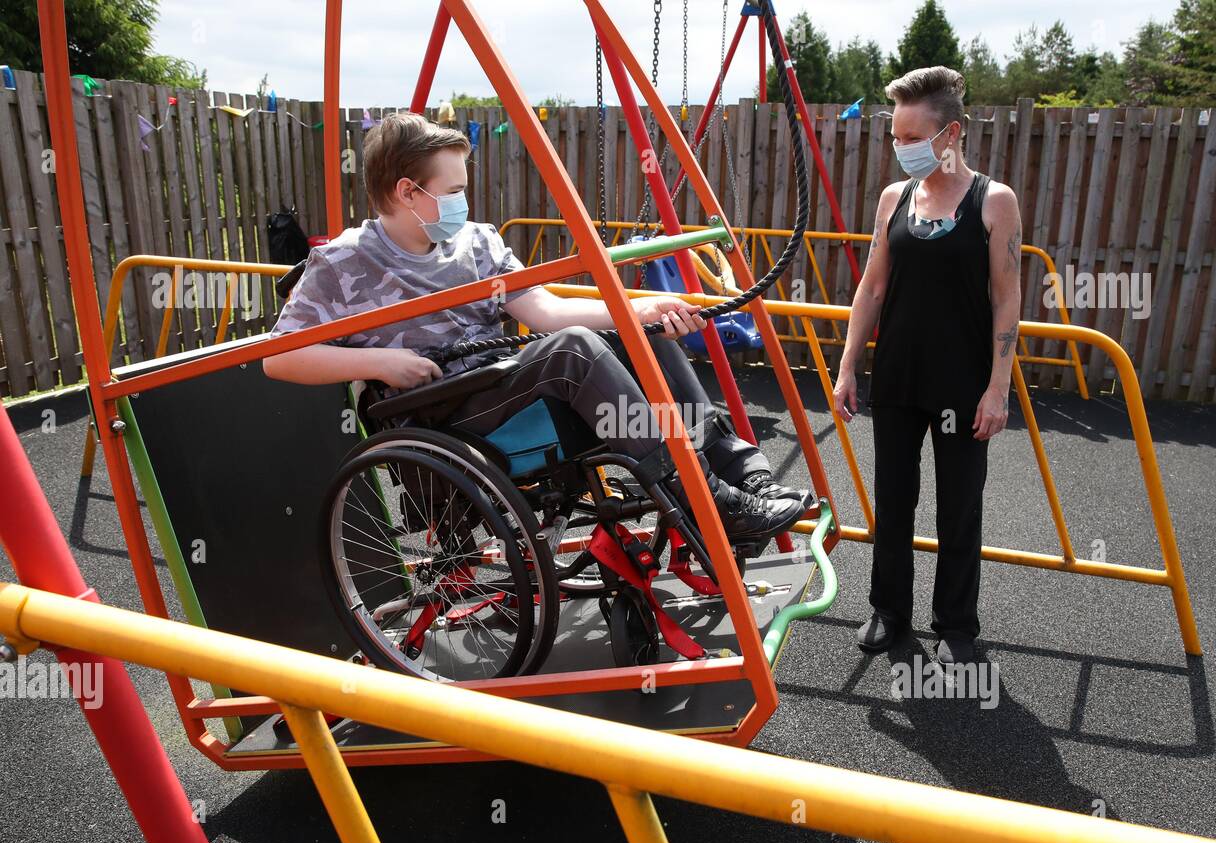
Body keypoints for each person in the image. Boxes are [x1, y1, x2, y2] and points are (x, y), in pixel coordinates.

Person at [264, 111, 812, 541]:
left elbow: (543, 310)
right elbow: (279, 356)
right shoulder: (342, 262)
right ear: (408, 192)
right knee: (572, 350)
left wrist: (637, 310)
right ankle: (702, 497)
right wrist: (376, 362)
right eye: (452, 191)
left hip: (496, 383)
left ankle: (738, 472)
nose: (464, 202)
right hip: (437, 408)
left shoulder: (476, 242)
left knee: (635, 335)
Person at [832, 66, 1023, 666]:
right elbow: (872, 287)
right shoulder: (895, 199)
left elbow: (1007, 296)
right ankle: (889, 612)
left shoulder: (994, 201)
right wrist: (845, 369)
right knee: (893, 502)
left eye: (913, 137)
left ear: (952, 134)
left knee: (959, 507)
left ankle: (956, 626)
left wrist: (997, 389)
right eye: (896, 136)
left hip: (962, 385)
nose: (902, 148)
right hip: (898, 380)